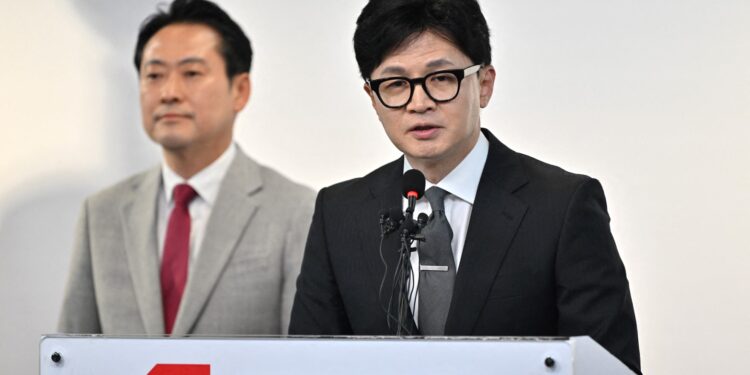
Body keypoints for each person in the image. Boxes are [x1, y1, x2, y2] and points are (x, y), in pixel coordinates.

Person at [289, 0, 640, 373]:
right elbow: (306, 363)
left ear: (484, 84)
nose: (419, 103)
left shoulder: (562, 206)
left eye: (441, 78)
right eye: (395, 84)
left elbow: (609, 366)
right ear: (373, 98)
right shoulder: (340, 211)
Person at [59, 0, 314, 336]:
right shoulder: (102, 213)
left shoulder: (294, 209)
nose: (169, 92)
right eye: (154, 75)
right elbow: (72, 351)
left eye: (191, 73)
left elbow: (302, 358)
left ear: (240, 90)